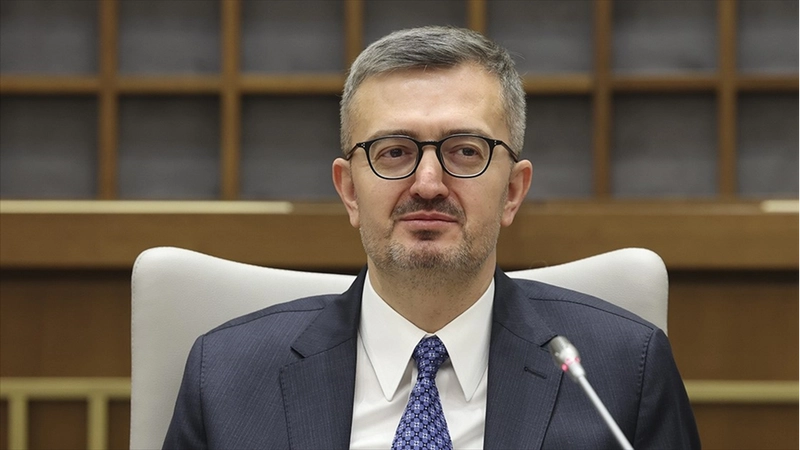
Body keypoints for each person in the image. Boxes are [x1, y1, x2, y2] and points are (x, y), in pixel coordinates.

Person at [164, 26, 700, 449]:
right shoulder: (227, 374)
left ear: (513, 191)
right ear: (349, 190)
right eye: (394, 151)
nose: (427, 183)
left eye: (465, 151)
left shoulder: (621, 372)